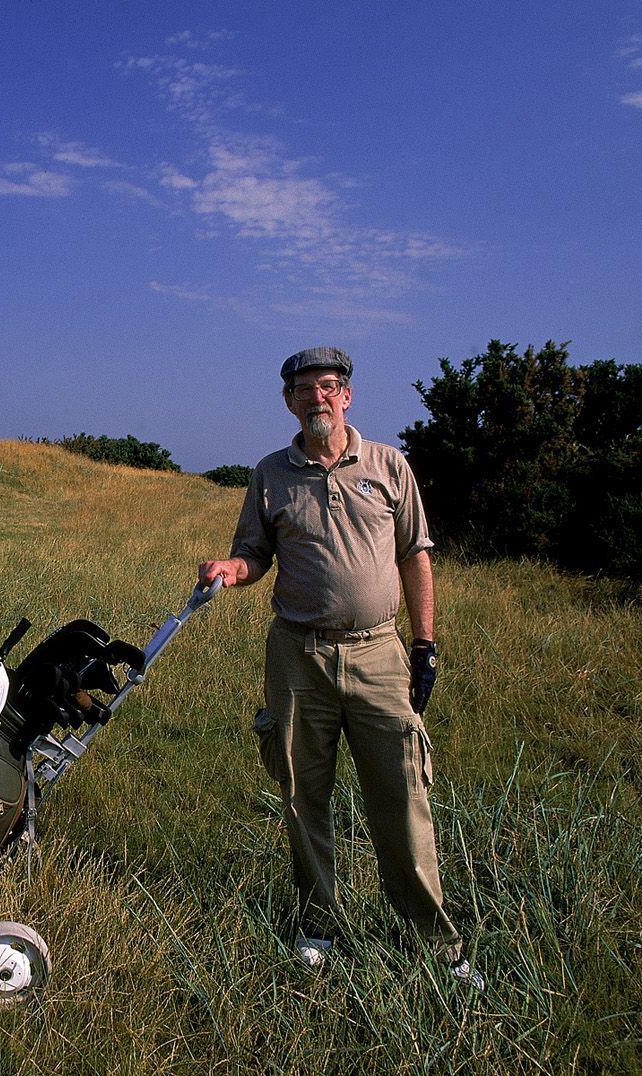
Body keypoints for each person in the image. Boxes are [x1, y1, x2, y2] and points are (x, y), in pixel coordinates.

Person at [198, 345, 483, 990]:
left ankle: (434, 939)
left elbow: (416, 555)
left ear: (347, 395)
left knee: (401, 796)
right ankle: (317, 926)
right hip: (297, 656)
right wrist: (229, 570)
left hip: (380, 653)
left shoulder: (388, 466)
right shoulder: (271, 474)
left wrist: (424, 646)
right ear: (288, 402)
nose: (317, 397)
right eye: (303, 389)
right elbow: (253, 555)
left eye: (328, 386)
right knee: (303, 795)